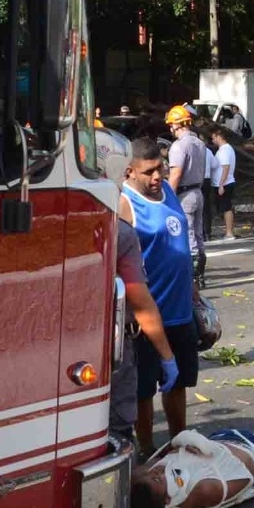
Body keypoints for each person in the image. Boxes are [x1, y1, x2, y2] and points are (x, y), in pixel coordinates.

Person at [119, 137, 196, 454]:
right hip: (147, 319)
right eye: (149, 171)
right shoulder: (125, 203)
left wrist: (194, 290)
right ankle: (147, 449)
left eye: (161, 169)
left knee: (179, 384)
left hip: (181, 311)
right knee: (143, 390)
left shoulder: (166, 192)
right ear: (130, 171)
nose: (157, 177)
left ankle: (180, 444)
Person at [99, 130, 176, 444]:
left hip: (76, 343)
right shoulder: (121, 231)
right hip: (117, 343)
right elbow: (140, 301)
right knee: (118, 427)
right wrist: (166, 356)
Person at [165, 104, 210, 284]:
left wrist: (168, 197)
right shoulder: (200, 143)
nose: (170, 128)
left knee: (188, 234)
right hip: (198, 191)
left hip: (185, 195)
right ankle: (200, 275)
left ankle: (192, 277)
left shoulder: (178, 146)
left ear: (179, 124)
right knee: (198, 234)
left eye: (171, 125)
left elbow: (175, 175)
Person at [209, 125, 239, 241]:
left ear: (219, 137)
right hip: (223, 182)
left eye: (214, 138)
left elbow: (226, 167)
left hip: (225, 183)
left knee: (226, 207)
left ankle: (229, 232)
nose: (213, 140)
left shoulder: (225, 150)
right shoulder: (225, 149)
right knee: (225, 207)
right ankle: (229, 230)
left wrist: (221, 184)